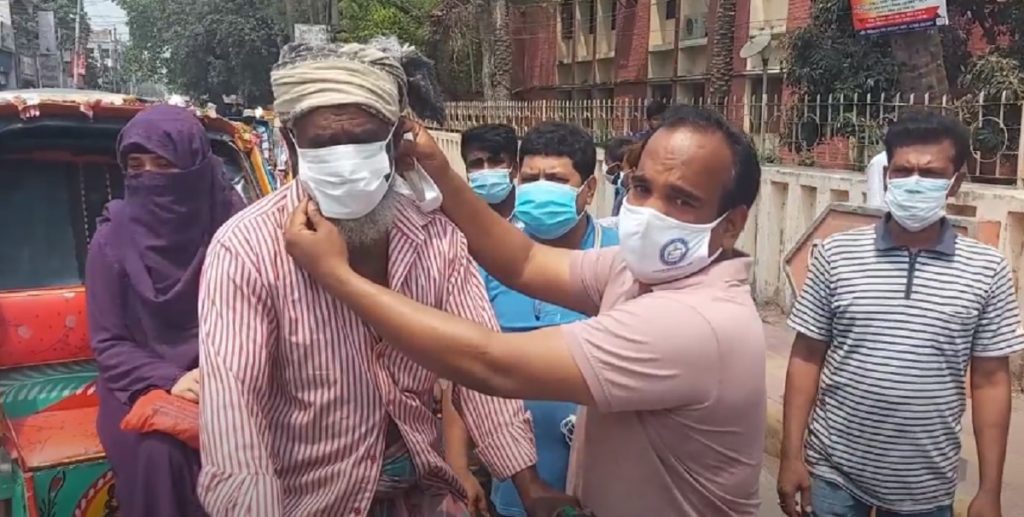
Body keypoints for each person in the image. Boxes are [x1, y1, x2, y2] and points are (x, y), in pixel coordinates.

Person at [283, 104, 767, 516]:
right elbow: (525, 261)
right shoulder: (639, 270)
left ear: (731, 224)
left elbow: (492, 364)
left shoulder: (694, 324)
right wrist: (441, 171)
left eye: (681, 200)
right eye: (641, 188)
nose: (650, 212)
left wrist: (337, 276)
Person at [197, 38, 570, 516]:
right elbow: (234, 411)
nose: (345, 160)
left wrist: (528, 483)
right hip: (305, 502)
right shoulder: (246, 248)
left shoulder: (435, 237)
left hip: (420, 494)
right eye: (325, 144)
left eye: (362, 140)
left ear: (396, 140)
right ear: (291, 144)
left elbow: (477, 364)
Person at [778, 111, 1023, 517]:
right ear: (887, 174)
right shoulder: (837, 254)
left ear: (955, 182)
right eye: (903, 170)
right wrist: (790, 456)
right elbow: (806, 356)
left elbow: (991, 380)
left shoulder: (986, 269)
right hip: (834, 472)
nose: (914, 182)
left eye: (931, 174)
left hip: (926, 483)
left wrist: (989, 490)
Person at [86, 104, 245, 517]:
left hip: (231, 379)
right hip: (142, 384)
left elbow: (263, 315)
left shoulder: (238, 230)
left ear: (194, 170)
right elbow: (109, 344)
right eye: (136, 167)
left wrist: (227, 375)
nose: (149, 178)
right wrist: (172, 379)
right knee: (160, 453)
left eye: (163, 164)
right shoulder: (112, 241)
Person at [480, 121, 619, 517]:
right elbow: (469, 368)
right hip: (519, 486)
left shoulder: (620, 259)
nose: (541, 189)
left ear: (588, 190)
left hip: (609, 484)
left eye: (556, 180)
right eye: (530, 179)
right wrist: (459, 462)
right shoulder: (491, 258)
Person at [462, 123, 519, 221]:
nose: (486, 170)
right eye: (476, 164)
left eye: (495, 162)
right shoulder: (458, 218)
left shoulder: (531, 215)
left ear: (515, 169)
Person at [601, 136, 635, 219]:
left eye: (607, 162)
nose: (605, 166)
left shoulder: (628, 197)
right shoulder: (621, 191)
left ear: (617, 167)